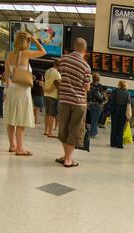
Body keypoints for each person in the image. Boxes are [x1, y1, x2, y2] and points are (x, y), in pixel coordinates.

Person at [4, 31, 46, 154]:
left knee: (11, 120)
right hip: (23, 91)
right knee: (21, 120)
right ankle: (20, 148)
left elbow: (7, 75)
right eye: (29, 42)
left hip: (12, 89)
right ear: (26, 42)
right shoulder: (25, 53)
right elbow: (43, 51)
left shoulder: (9, 55)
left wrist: (9, 88)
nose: (30, 44)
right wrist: (33, 38)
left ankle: (12, 145)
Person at [56, 38, 91, 167]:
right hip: (79, 102)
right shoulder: (86, 66)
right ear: (85, 50)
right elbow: (86, 87)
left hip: (65, 99)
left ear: (74, 46)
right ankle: (68, 159)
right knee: (75, 129)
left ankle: (65, 156)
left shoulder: (63, 59)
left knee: (63, 127)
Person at [109, 80, 130, 149]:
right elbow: (128, 104)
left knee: (114, 127)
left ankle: (113, 143)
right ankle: (119, 144)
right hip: (123, 110)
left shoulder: (116, 91)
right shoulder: (128, 94)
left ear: (119, 85)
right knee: (121, 128)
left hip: (115, 109)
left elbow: (110, 98)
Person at [43, 58, 61, 137]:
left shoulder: (47, 71)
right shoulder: (56, 73)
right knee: (52, 114)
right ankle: (50, 132)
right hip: (53, 95)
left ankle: (46, 130)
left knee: (47, 114)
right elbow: (59, 82)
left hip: (46, 95)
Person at [87, 73, 107, 138]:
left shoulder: (90, 86)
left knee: (93, 118)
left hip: (90, 105)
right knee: (95, 120)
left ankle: (94, 132)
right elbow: (103, 96)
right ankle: (92, 133)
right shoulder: (100, 86)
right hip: (98, 105)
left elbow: (87, 95)